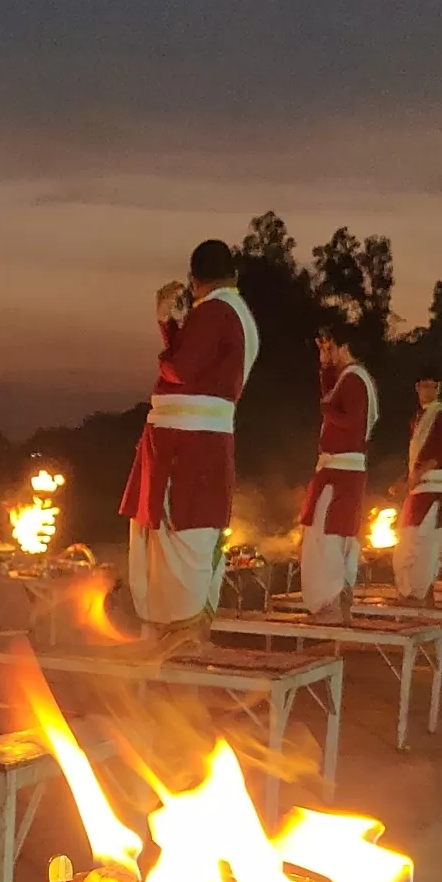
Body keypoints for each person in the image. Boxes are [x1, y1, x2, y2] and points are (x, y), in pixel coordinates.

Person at [120, 239, 258, 650]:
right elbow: (195, 361)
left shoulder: (215, 310)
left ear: (196, 280)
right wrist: (172, 327)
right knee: (184, 539)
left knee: (180, 538)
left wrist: (166, 335)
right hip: (194, 441)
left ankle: (179, 644)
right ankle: (178, 641)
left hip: (186, 445)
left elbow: (180, 366)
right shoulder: (234, 313)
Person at [299, 326, 379, 620]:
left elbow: (349, 420)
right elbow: (333, 396)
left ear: (344, 346)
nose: (329, 350)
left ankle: (330, 604)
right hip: (342, 472)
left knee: (326, 538)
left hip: (340, 473)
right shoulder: (351, 377)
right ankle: (337, 603)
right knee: (336, 537)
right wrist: (324, 364)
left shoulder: (355, 379)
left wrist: (325, 408)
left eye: (331, 345)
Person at [391, 373, 442, 602]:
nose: (425, 392)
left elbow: (441, 452)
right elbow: (418, 457)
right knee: (409, 546)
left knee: (423, 547)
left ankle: (419, 596)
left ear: (438, 388)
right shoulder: (419, 418)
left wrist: (415, 475)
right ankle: (414, 594)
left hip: (430, 490)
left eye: (430, 387)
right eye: (421, 387)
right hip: (418, 490)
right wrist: (405, 479)